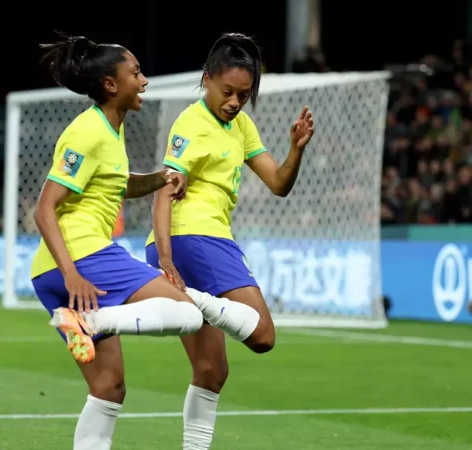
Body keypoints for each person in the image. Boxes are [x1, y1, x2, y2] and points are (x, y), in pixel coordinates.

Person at [32, 34, 207, 449]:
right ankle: (93, 321)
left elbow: (116, 185)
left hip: (52, 272)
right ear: (111, 85)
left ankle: (85, 320)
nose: (144, 81)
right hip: (81, 258)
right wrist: (73, 275)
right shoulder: (88, 132)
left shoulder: (109, 130)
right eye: (135, 73)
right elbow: (45, 208)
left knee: (108, 387)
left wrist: (162, 177)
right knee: (187, 313)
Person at [145, 33, 315, 449]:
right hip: (193, 238)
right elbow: (164, 189)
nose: (235, 101)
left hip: (198, 242)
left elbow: (278, 182)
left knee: (211, 372)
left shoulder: (240, 124)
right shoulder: (190, 123)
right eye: (228, 91)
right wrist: (165, 257)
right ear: (206, 80)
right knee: (262, 335)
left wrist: (295, 149)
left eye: (244, 94)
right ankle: (188, 298)